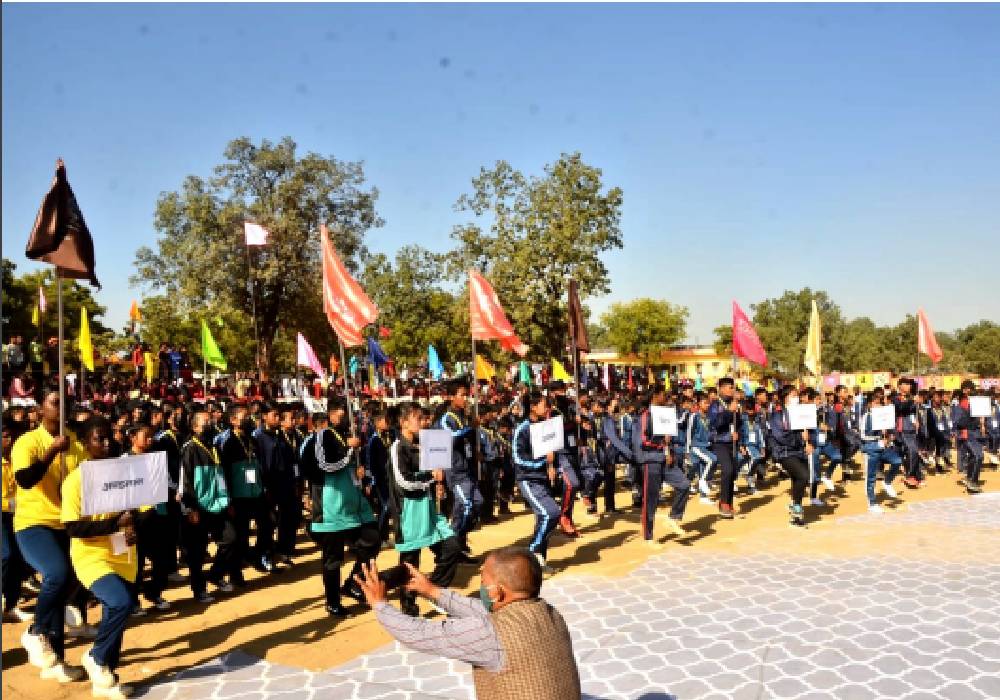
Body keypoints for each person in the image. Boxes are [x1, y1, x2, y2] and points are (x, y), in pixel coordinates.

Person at [355, 546, 581, 700]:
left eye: (483, 582)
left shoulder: (491, 634)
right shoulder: (550, 613)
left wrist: (380, 604)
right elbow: (480, 610)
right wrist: (432, 591)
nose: (481, 587)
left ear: (498, 592)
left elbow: (420, 633)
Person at [62, 415, 143, 699]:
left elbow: (133, 510)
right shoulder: (75, 481)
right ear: (85, 443)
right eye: (100, 438)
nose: (107, 443)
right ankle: (96, 658)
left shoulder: (121, 473)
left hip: (122, 552)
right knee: (121, 603)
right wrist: (114, 525)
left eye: (110, 436)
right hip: (91, 556)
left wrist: (132, 526)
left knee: (115, 615)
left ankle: (106, 680)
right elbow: (73, 527)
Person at [13, 390, 90, 682]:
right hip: (34, 523)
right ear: (39, 409)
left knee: (66, 584)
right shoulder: (28, 442)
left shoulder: (74, 442)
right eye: (54, 403)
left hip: (65, 524)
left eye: (65, 403)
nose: (61, 408)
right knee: (57, 573)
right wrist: (51, 452)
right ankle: (35, 632)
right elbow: (26, 479)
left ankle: (55, 659)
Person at [299, 400, 380, 617]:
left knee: (372, 540)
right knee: (333, 558)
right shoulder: (321, 436)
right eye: (345, 412)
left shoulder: (345, 435)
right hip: (331, 507)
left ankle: (354, 584)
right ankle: (332, 601)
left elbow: (348, 466)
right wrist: (348, 452)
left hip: (353, 505)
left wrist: (358, 470)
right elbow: (324, 465)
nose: (349, 416)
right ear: (334, 413)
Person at [388, 403, 462, 617]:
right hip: (409, 513)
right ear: (404, 423)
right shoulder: (397, 448)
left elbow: (434, 474)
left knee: (452, 546)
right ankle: (408, 605)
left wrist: (438, 483)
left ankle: (434, 589)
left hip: (430, 511)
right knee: (410, 563)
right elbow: (403, 481)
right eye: (418, 418)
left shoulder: (425, 444)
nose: (423, 422)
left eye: (423, 418)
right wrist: (430, 479)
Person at [179, 408, 242, 602]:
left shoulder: (214, 446)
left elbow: (222, 476)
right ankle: (199, 590)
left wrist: (228, 499)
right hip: (198, 506)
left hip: (219, 503)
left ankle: (216, 574)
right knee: (197, 552)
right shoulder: (189, 448)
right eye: (205, 422)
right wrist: (189, 508)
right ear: (195, 426)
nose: (210, 425)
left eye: (211, 422)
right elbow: (185, 481)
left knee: (230, 539)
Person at [632, 386, 688, 547]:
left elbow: (668, 439)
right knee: (651, 500)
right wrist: (662, 445)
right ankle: (648, 537)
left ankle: (674, 517)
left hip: (666, 459)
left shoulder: (666, 414)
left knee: (684, 485)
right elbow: (642, 441)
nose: (667, 397)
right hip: (651, 461)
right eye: (664, 394)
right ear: (655, 396)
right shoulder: (645, 415)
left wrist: (668, 449)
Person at [512, 391, 560, 573]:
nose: (546, 407)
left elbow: (549, 452)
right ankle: (531, 553)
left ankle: (538, 563)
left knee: (542, 518)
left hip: (542, 478)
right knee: (551, 513)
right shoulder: (522, 429)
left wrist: (551, 466)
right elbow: (517, 458)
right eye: (543, 404)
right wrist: (542, 462)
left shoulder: (544, 426)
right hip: (527, 479)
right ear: (532, 407)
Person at [437, 381, 481, 561]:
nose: (465, 398)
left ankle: (459, 543)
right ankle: (451, 545)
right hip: (455, 471)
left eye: (466, 395)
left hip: (467, 469)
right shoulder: (446, 418)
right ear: (451, 396)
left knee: (477, 503)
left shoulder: (463, 416)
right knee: (466, 505)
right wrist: (470, 428)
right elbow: (450, 438)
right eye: (461, 395)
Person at [768, 386, 811, 527]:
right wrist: (799, 437)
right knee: (803, 476)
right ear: (786, 397)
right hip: (784, 452)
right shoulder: (777, 414)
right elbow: (781, 436)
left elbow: (810, 430)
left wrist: (810, 441)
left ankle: (796, 513)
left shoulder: (802, 411)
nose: (796, 398)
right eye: (793, 395)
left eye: (797, 395)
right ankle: (796, 507)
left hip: (800, 452)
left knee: (798, 480)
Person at [2, 420, 31, 622]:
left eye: (11, 435)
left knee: (18, 558)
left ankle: (10, 605)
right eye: (4, 435)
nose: (9, 440)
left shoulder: (16, 457)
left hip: (18, 512)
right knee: (6, 555)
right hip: (3, 513)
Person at [860, 391, 905, 512]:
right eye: (875, 403)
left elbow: (890, 432)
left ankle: (887, 481)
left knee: (897, 461)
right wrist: (877, 440)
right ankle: (872, 503)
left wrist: (889, 437)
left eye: (879, 403)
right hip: (871, 449)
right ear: (870, 404)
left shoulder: (884, 416)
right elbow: (863, 436)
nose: (878, 405)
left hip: (884, 448)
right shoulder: (866, 417)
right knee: (871, 477)